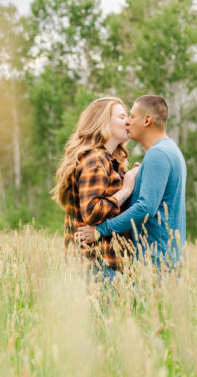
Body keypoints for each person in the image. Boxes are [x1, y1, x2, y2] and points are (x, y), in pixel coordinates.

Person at [75, 94, 187, 268]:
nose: (128, 121)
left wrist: (100, 230)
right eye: (123, 117)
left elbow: (145, 208)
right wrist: (141, 178)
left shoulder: (157, 154)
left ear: (147, 120)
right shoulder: (170, 150)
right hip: (161, 258)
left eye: (132, 116)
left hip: (156, 261)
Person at [52, 96, 140, 280]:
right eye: (122, 116)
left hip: (106, 264)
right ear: (103, 122)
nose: (128, 121)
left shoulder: (110, 161)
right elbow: (92, 212)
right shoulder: (95, 159)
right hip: (98, 265)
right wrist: (125, 190)